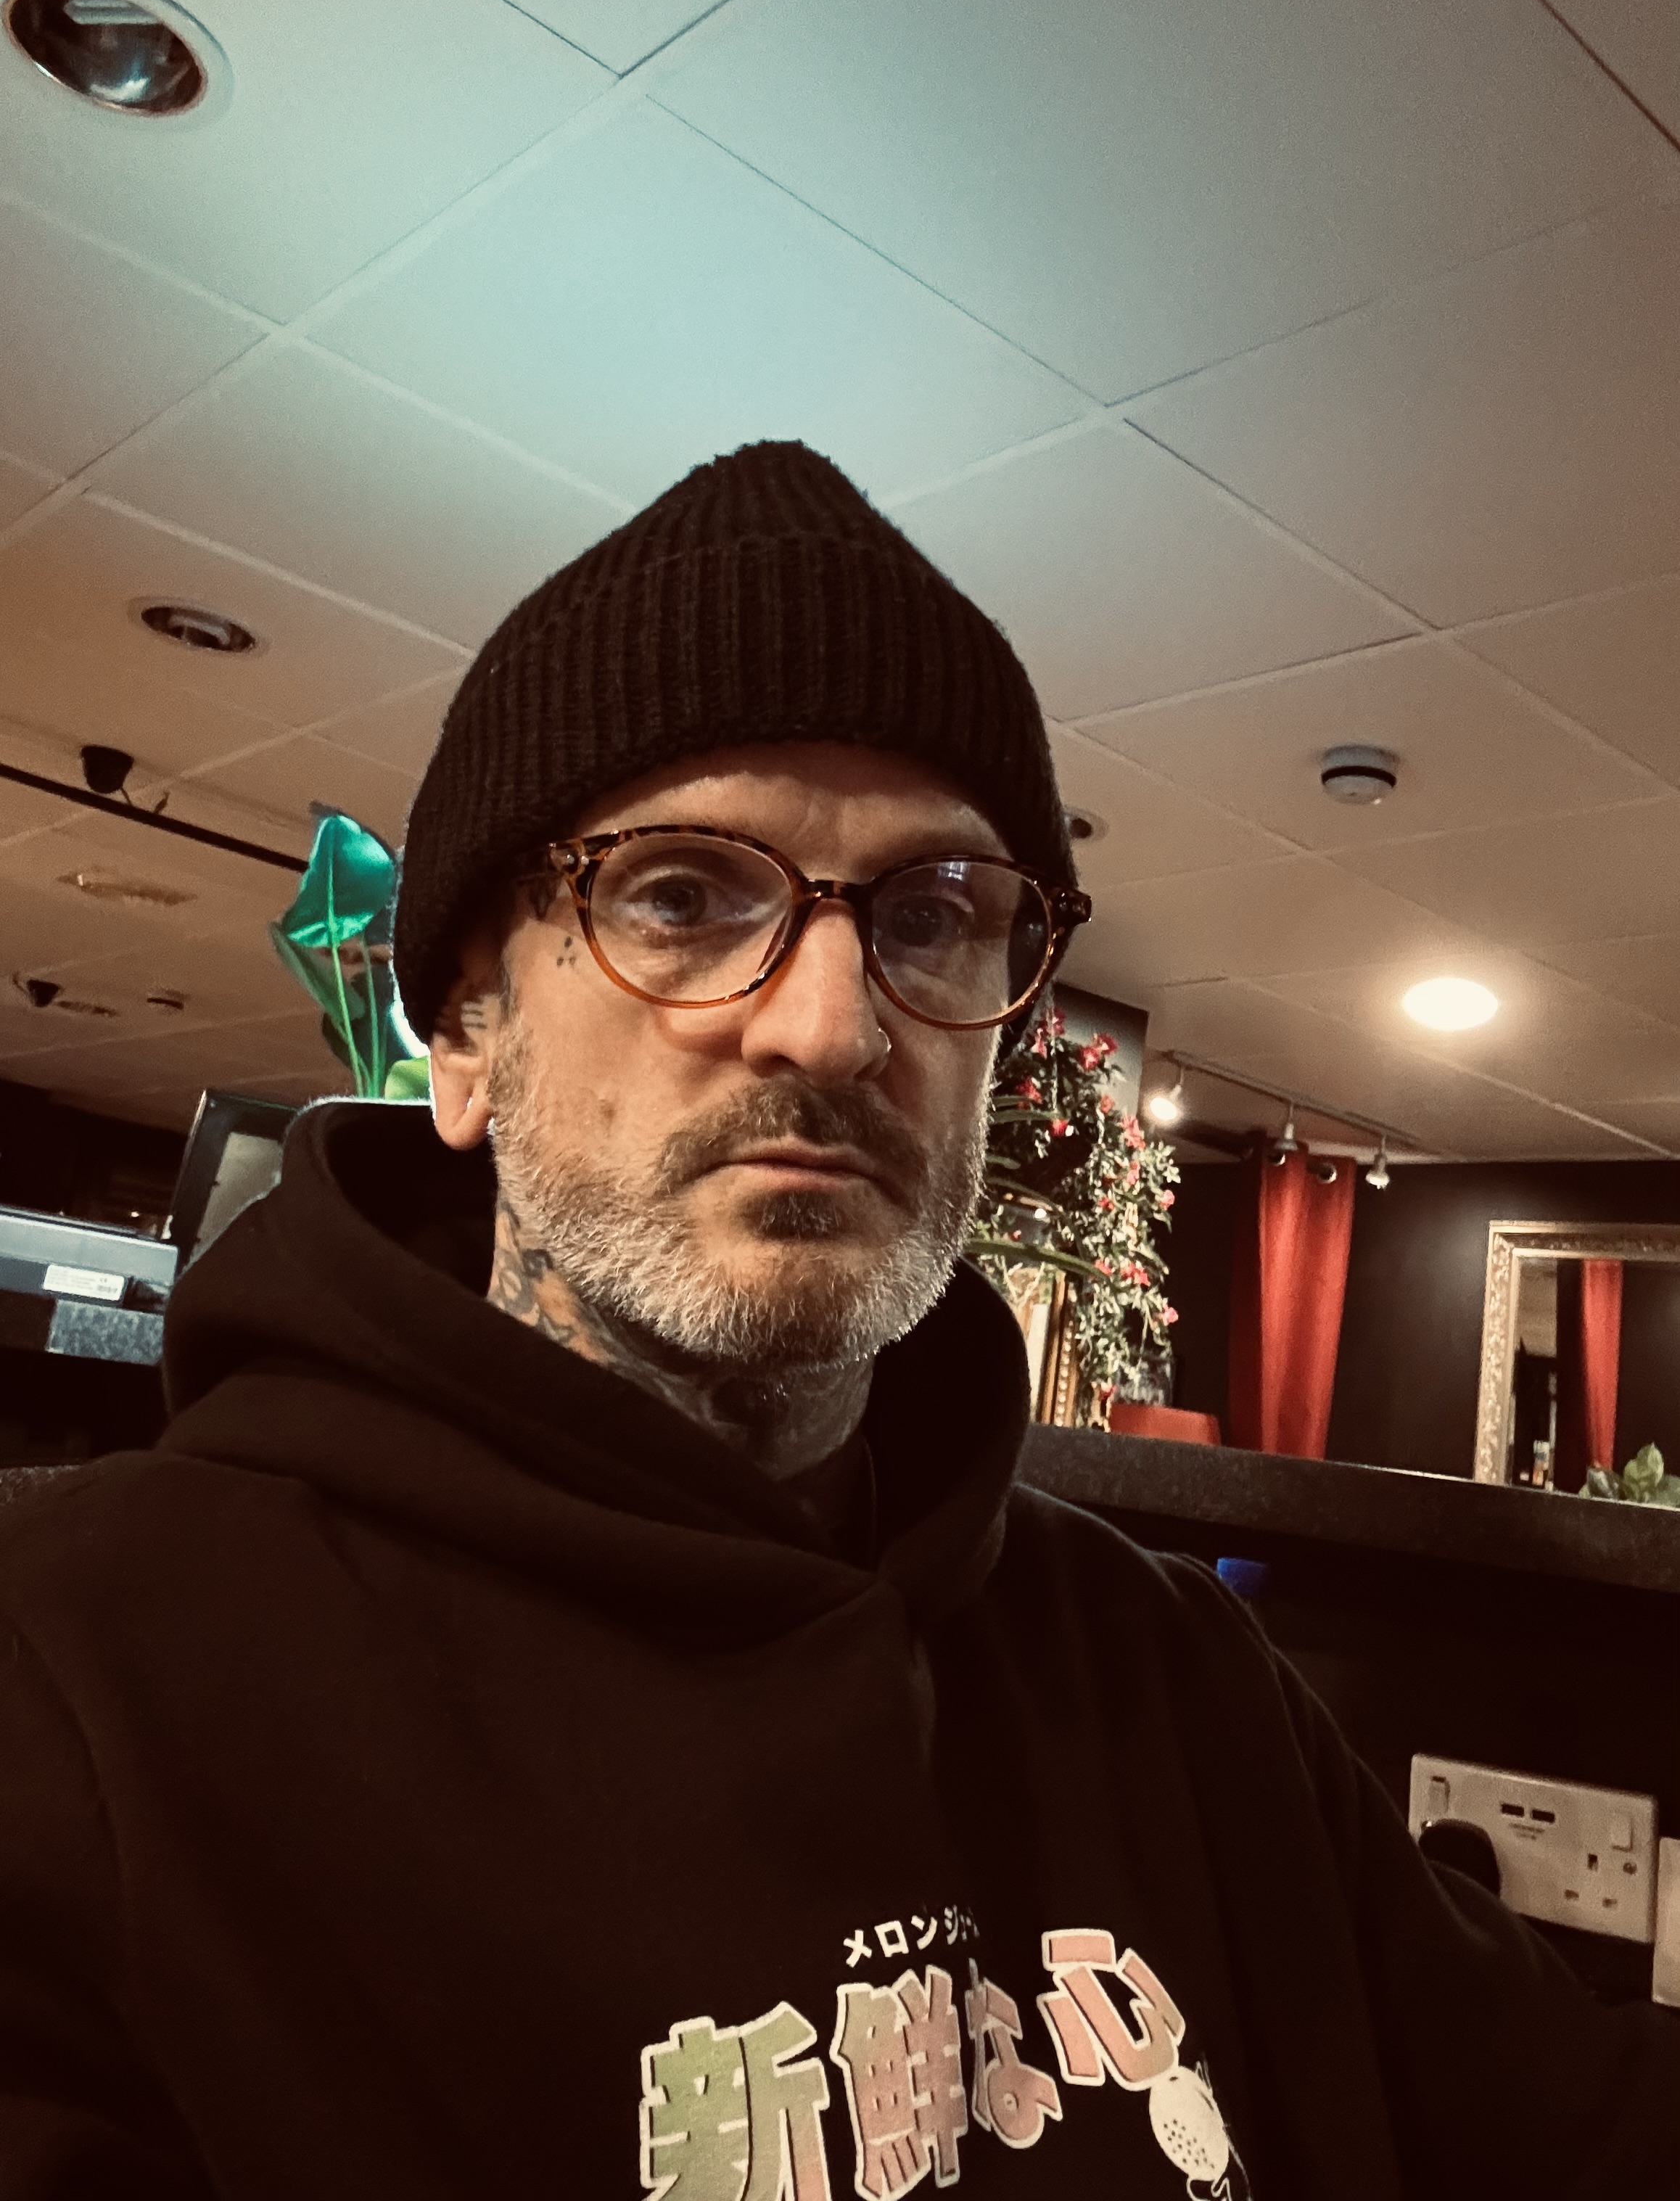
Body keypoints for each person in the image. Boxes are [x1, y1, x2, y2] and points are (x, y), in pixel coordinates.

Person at [0, 443, 1673, 2201]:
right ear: (472, 1031)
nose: (828, 1022)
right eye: (679, 895)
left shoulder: (1175, 1678)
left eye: (930, 916)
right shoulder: (81, 1690)